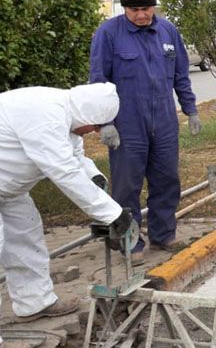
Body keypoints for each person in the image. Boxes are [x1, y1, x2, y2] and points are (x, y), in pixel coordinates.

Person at [0, 83, 131, 327]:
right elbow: (63, 171)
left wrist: (95, 179)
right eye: (94, 125)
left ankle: (34, 302)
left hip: (9, 189)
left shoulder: (68, 118)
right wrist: (112, 214)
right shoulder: (45, 115)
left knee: (26, 235)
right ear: (87, 114)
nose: (93, 131)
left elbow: (75, 160)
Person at [89, 0, 201, 265]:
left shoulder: (167, 31)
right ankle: (130, 241)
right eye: (135, 9)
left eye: (146, 8)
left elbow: (181, 76)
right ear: (124, 9)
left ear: (154, 7)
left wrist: (191, 109)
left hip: (163, 120)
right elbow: (99, 82)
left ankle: (164, 234)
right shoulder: (108, 34)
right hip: (127, 125)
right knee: (127, 185)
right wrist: (105, 123)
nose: (141, 15)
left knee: (167, 178)